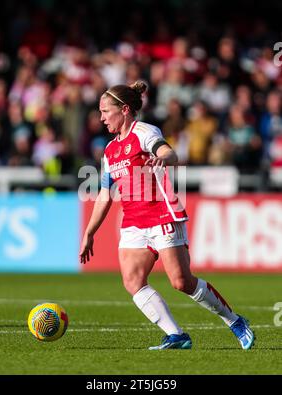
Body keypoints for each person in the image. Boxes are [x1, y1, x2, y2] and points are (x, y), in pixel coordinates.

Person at [79, 80, 255, 350]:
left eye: (105, 111)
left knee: (181, 282)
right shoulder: (110, 150)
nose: (101, 118)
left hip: (162, 213)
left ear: (124, 109)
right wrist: (90, 232)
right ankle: (176, 335)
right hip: (133, 221)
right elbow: (105, 194)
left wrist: (164, 158)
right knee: (133, 281)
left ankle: (234, 321)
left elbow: (166, 150)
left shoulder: (144, 132)